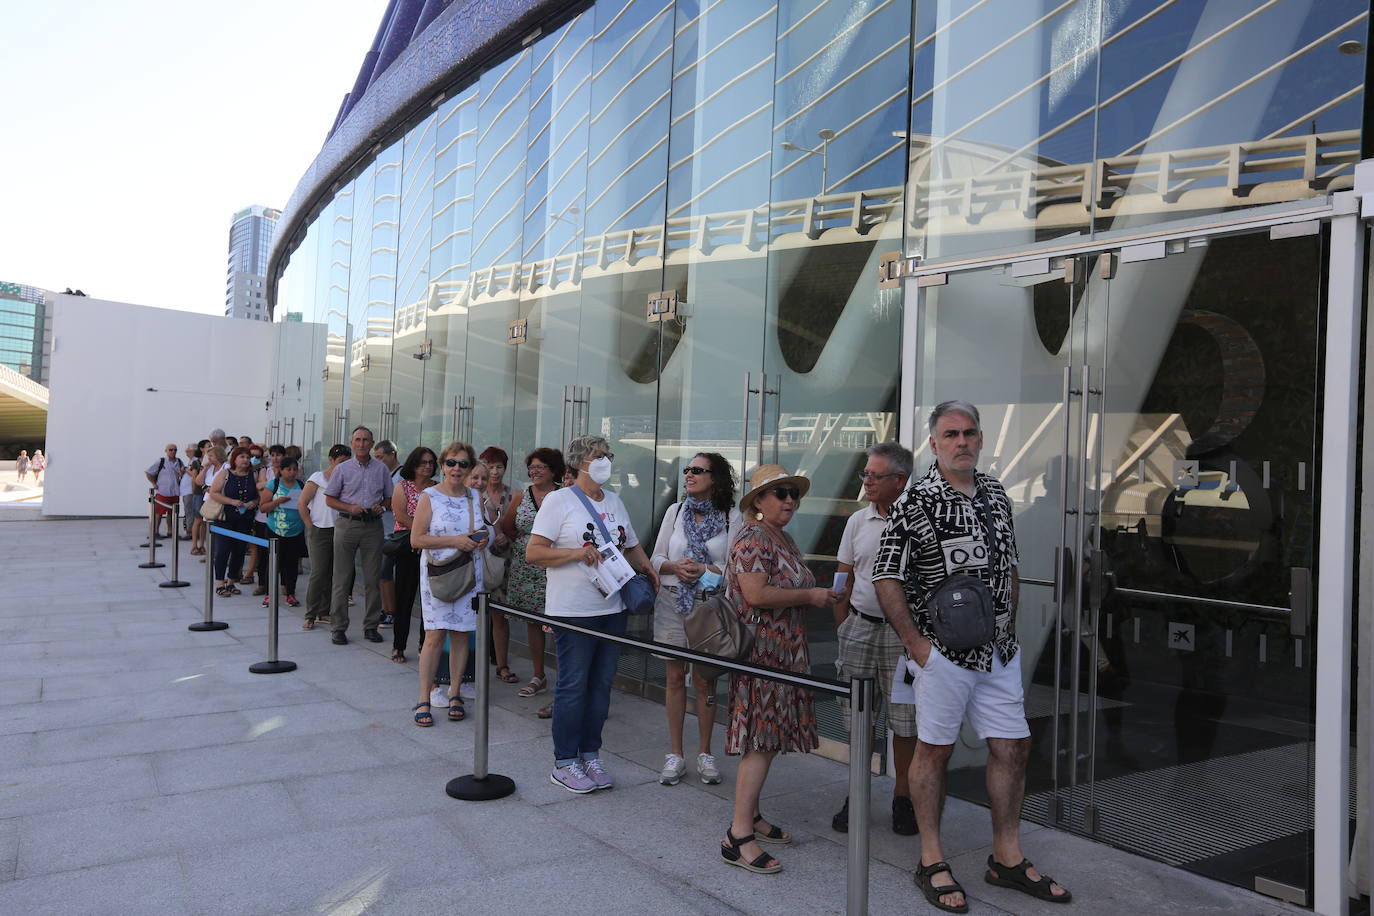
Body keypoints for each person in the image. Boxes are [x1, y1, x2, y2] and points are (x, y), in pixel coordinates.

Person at [873, 401, 1071, 911]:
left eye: (969, 433)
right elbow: (886, 575)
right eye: (950, 434)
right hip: (942, 654)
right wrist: (918, 648)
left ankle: (1006, 857)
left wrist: (1013, 629)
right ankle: (932, 859)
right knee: (933, 752)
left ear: (980, 439)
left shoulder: (997, 494)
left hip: (999, 654)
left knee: (1014, 748)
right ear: (934, 444)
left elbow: (1010, 568)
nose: (962, 441)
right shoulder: (915, 501)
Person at [719, 464, 837, 875]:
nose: (790, 500)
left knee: (767, 741)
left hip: (782, 651)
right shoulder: (752, 536)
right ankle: (737, 836)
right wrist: (812, 594)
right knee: (761, 742)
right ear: (758, 502)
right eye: (781, 493)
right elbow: (755, 593)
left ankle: (750, 816)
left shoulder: (779, 536)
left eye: (793, 494)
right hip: (762, 655)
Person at [526, 435, 659, 794]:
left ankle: (591, 753)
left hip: (612, 607)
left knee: (600, 686)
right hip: (573, 610)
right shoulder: (559, 500)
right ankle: (565, 762)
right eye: (599, 456)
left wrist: (649, 568)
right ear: (580, 462)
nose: (605, 461)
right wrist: (574, 553)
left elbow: (629, 543)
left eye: (607, 456)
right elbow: (534, 552)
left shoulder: (614, 501)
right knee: (573, 686)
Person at [829, 441, 917, 836]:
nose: (866, 481)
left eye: (873, 475)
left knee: (905, 722)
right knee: (858, 719)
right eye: (865, 473)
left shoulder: (919, 519)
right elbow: (842, 575)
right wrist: (842, 624)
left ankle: (904, 797)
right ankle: (857, 794)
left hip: (904, 636)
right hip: (859, 629)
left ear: (899, 480)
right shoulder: (857, 522)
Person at [650, 452, 741, 787]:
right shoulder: (675, 512)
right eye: (688, 470)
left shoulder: (733, 518)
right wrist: (675, 567)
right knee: (674, 678)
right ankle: (675, 754)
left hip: (709, 606)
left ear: (715, 478)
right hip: (672, 601)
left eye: (698, 470)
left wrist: (703, 571)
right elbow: (655, 557)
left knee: (705, 681)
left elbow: (734, 572)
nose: (689, 475)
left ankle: (705, 752)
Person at [410, 441, 491, 726]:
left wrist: (482, 539)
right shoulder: (429, 496)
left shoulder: (474, 496)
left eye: (463, 464)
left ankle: (455, 692)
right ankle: (424, 697)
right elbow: (416, 539)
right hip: (439, 574)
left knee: (461, 634)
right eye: (451, 463)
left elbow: (483, 530)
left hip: (469, 573)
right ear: (443, 465)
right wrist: (455, 540)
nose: (457, 468)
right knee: (434, 635)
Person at [499, 447, 564, 716]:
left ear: (553, 470)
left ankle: (565, 682)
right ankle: (539, 675)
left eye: (541, 467)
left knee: (560, 623)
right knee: (534, 623)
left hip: (556, 568)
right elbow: (508, 525)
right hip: (526, 569)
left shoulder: (564, 495)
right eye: (532, 467)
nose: (535, 472)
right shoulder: (522, 495)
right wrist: (524, 545)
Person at [324, 426, 393, 645]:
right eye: (358, 440)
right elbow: (330, 499)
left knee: (373, 579)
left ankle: (371, 626)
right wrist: (349, 507)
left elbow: (389, 498)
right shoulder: (342, 469)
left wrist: (381, 507)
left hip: (373, 526)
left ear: (372, 444)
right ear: (352, 443)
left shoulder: (381, 469)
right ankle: (338, 627)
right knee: (342, 578)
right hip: (347, 524)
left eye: (366, 440)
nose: (362, 444)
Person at [390, 446, 439, 662]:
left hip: (431, 549)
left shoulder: (438, 488)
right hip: (408, 548)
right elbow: (400, 515)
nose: (427, 466)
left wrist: (427, 539)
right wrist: (419, 534)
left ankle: (423, 644)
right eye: (423, 463)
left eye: (430, 462)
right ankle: (398, 646)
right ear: (414, 465)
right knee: (404, 598)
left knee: (428, 600)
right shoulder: (403, 487)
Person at [478, 446, 519, 683]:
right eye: (489, 466)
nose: (494, 472)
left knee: (500, 615)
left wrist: (505, 533)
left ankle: (502, 664)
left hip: (504, 560)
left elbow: (516, 527)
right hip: (478, 559)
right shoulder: (474, 493)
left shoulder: (513, 495)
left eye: (498, 467)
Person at [300, 444, 349, 629]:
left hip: (341, 530)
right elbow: (302, 503)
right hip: (320, 529)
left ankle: (324, 611)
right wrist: (310, 526)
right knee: (318, 572)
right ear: (331, 460)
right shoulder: (318, 478)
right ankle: (310, 614)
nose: (343, 465)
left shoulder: (347, 480)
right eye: (340, 462)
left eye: (346, 462)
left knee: (334, 573)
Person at [207, 446, 258, 597]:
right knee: (222, 550)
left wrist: (254, 502)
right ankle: (219, 583)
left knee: (239, 551)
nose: (246, 460)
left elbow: (257, 495)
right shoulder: (225, 474)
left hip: (245, 519)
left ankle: (231, 582)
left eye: (248, 457)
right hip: (225, 519)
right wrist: (231, 501)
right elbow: (213, 492)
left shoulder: (253, 475)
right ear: (234, 459)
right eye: (242, 457)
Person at [259, 456, 307, 607]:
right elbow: (263, 507)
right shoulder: (274, 484)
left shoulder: (301, 485)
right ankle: (269, 594)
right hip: (275, 529)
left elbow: (307, 504)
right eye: (288, 469)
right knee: (274, 564)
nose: (292, 473)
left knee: (291, 564)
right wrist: (277, 502)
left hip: (296, 530)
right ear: (281, 470)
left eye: (295, 469)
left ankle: (290, 593)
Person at [373, 439, 402, 628]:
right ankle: (386, 608)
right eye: (376, 458)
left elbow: (399, 503)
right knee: (382, 574)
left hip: (395, 532)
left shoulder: (402, 476)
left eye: (381, 457)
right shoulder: (381, 472)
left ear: (393, 455)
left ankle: (391, 611)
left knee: (386, 573)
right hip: (381, 530)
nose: (378, 461)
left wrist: (383, 504)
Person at [145, 444, 184, 538]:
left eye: (175, 450)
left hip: (174, 492)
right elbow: (148, 472)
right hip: (163, 491)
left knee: (172, 513)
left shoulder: (179, 461)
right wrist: (154, 483)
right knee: (159, 513)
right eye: (170, 450)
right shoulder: (161, 461)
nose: (173, 451)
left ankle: (170, 532)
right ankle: (155, 532)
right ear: (166, 451)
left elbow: (182, 473)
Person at [193, 446, 226, 558]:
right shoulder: (210, 468)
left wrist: (212, 489)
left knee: (220, 529)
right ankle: (211, 554)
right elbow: (198, 481)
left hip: (220, 501)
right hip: (208, 501)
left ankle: (219, 555)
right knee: (210, 528)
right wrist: (205, 468)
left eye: (211, 456)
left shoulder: (226, 467)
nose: (209, 458)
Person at [180, 443, 200, 540]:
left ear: (193, 451)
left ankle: (190, 532)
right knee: (188, 511)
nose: (186, 451)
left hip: (190, 491)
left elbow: (193, 474)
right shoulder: (191, 460)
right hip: (187, 491)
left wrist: (185, 469)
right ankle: (189, 531)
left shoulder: (195, 461)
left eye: (188, 450)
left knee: (190, 512)